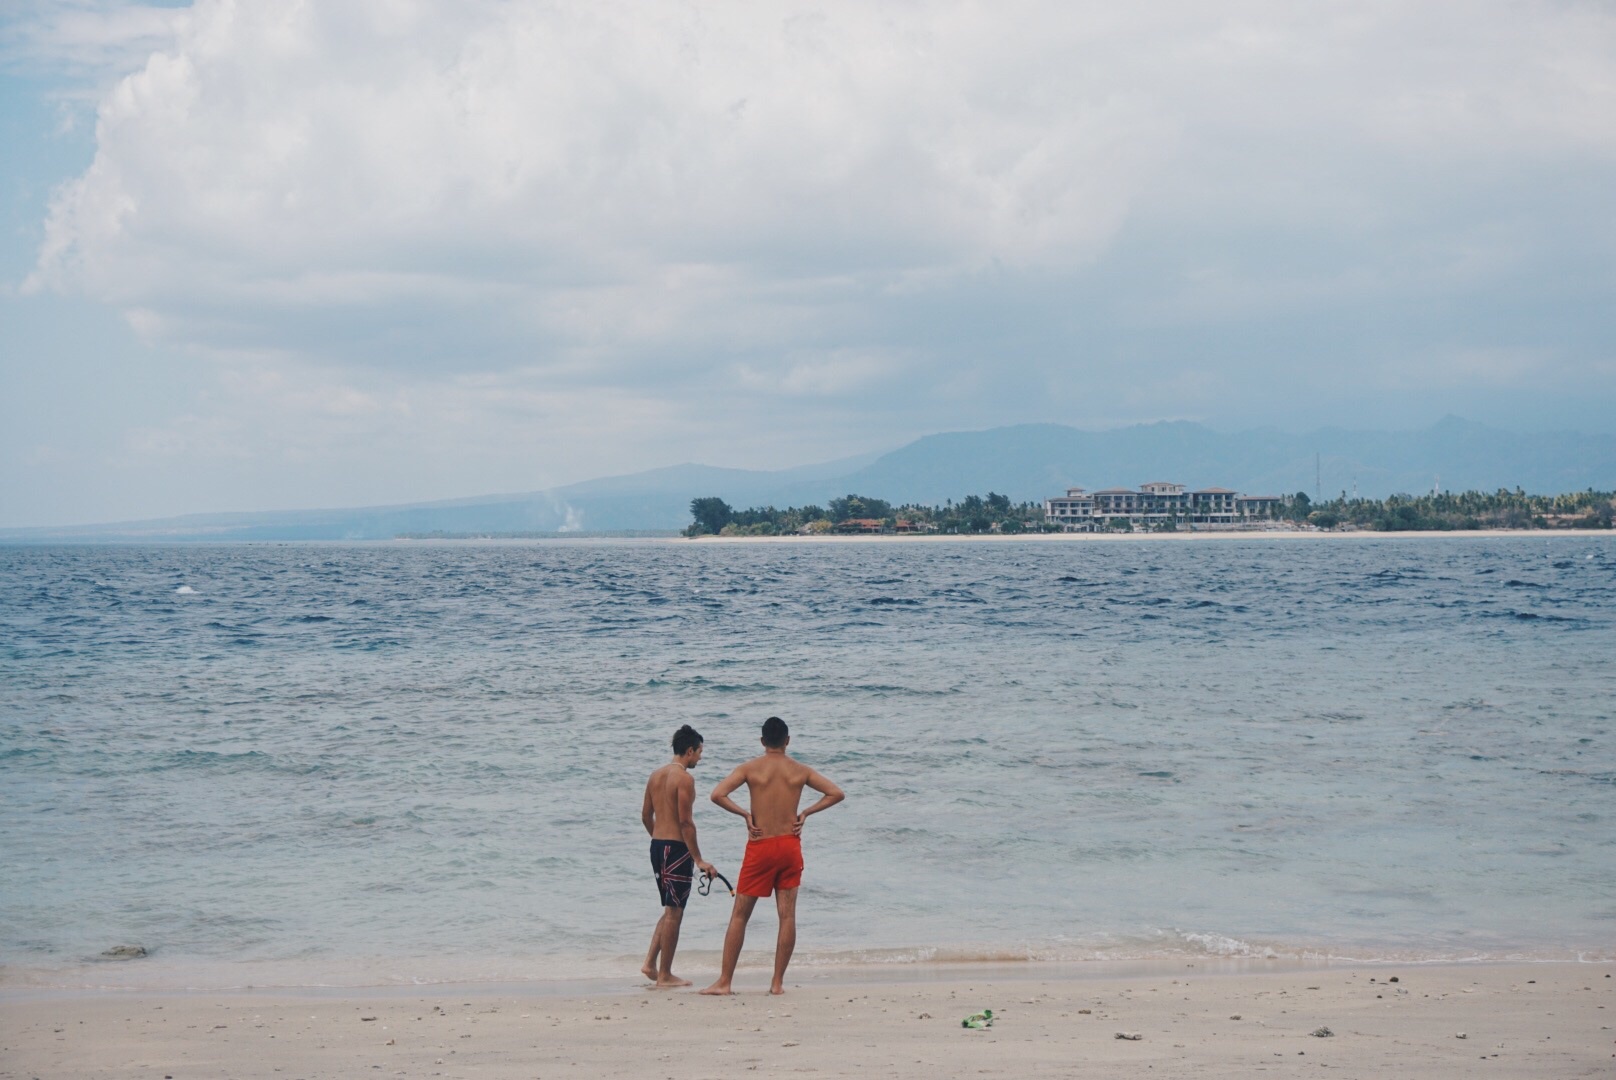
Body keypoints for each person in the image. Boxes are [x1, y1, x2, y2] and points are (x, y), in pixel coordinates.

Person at [700, 716, 844, 995]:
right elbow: (836, 793)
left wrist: (744, 814)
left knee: (740, 915)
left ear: (763, 741)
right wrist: (806, 813)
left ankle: (725, 982)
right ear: (787, 741)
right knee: (787, 916)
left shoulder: (750, 768)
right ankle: (777, 983)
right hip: (790, 845)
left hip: (761, 845)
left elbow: (717, 794)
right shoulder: (800, 771)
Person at [641, 724, 716, 988]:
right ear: (689, 751)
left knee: (669, 908)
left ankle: (650, 963)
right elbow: (686, 823)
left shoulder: (655, 775)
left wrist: (659, 842)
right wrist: (698, 860)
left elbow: (645, 816)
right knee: (675, 912)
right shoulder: (684, 779)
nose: (700, 758)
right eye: (698, 753)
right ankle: (665, 975)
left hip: (657, 846)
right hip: (676, 849)